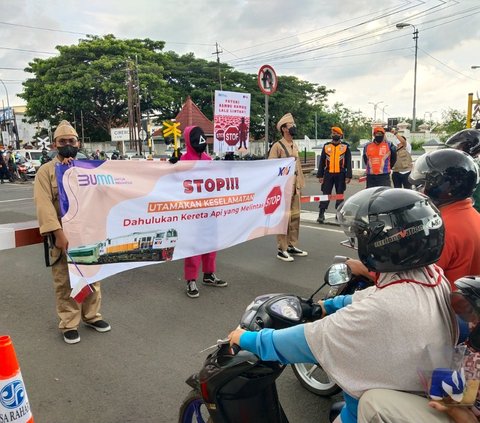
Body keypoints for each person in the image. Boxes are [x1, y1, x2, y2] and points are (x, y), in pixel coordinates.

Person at [229, 187, 457, 423]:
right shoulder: (433, 276)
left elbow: (311, 339)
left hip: (372, 409)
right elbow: (378, 296)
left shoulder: (384, 308)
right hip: (416, 390)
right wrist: (329, 305)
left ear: (382, 243)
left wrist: (247, 339)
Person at [358, 276, 480, 423]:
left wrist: (454, 409)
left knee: (372, 403)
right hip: (460, 401)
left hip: (458, 414)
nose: (473, 322)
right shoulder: (472, 341)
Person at [34, 120, 111, 344]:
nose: (67, 144)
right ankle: (69, 322)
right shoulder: (46, 172)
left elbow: (103, 195)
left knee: (92, 276)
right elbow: (44, 205)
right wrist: (58, 234)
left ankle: (92, 316)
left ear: (79, 143)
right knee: (64, 281)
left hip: (89, 233)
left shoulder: (89, 168)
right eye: (62, 141)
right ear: (54, 144)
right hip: (63, 235)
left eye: (71, 141)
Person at [409, 149, 480, 289]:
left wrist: (362, 269)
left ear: (443, 186)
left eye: (422, 184)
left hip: (445, 306)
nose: (420, 190)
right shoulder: (473, 216)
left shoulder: (441, 229)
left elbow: (414, 281)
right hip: (466, 305)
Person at [179, 125, 228, 298]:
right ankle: (191, 279)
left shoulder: (208, 159)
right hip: (192, 212)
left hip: (210, 209)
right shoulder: (183, 161)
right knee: (193, 245)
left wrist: (229, 165)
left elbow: (220, 180)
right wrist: (171, 167)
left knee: (211, 242)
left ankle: (209, 274)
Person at [268, 113, 308, 262]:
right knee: (283, 218)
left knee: (295, 217)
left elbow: (298, 166)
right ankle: (282, 248)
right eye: (291, 125)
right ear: (284, 128)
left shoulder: (294, 145)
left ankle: (292, 245)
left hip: (295, 186)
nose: (293, 127)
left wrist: (300, 184)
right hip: (283, 188)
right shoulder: (277, 146)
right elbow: (271, 167)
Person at [316, 126, 352, 223]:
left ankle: (339, 214)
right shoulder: (326, 146)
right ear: (331, 135)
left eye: (337, 134)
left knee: (340, 194)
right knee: (325, 194)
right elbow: (322, 161)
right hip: (328, 174)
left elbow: (348, 162)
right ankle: (321, 214)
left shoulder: (345, 147)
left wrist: (348, 176)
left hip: (341, 174)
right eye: (333, 133)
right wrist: (320, 175)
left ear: (341, 135)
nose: (335, 135)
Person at [446, 128, 480, 213]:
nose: (455, 151)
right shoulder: (465, 165)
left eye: (458, 147)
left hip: (471, 211)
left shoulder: (472, 169)